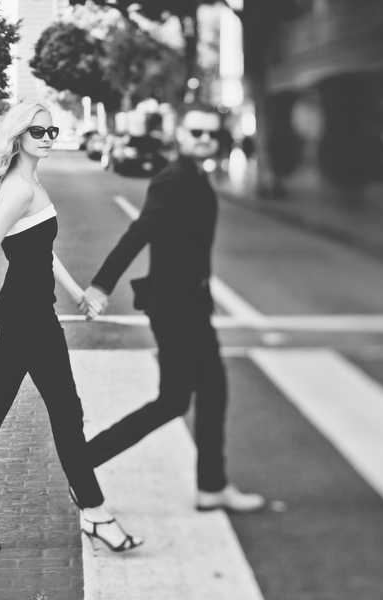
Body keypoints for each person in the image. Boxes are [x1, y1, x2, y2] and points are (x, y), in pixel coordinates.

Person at [0, 102, 143, 554]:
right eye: (37, 130)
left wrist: (77, 292)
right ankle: (96, 513)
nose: (47, 136)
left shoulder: (31, 184)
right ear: (18, 135)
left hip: (29, 308)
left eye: (51, 130)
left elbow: (41, 252)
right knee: (66, 411)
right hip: (28, 315)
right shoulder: (19, 189)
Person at [81, 102, 267, 513]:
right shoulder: (175, 179)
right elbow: (138, 232)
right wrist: (100, 285)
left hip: (189, 305)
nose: (204, 139)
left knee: (213, 392)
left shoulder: (194, 176)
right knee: (173, 401)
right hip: (176, 308)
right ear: (180, 134)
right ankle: (84, 461)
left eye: (211, 134)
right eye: (196, 132)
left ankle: (212, 486)